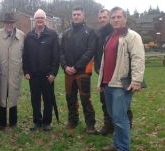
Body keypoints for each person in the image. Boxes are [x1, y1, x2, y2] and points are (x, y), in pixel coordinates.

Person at [97, 7, 145, 151]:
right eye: (113, 17)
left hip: (121, 84)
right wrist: (101, 82)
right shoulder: (110, 37)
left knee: (120, 117)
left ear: (125, 18)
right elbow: (104, 62)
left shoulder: (132, 37)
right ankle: (117, 143)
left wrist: (136, 81)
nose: (115, 20)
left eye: (119, 17)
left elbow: (138, 59)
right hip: (109, 83)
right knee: (113, 117)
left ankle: (124, 150)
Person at [94, 9, 133, 135]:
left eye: (105, 17)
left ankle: (125, 132)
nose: (102, 20)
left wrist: (136, 80)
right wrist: (98, 69)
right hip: (104, 77)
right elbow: (98, 54)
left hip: (119, 78)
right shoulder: (101, 35)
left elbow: (134, 58)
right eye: (100, 18)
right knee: (106, 105)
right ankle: (109, 127)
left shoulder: (122, 34)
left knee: (122, 109)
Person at [60, 5, 97, 134]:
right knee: (70, 97)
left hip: (83, 72)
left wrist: (77, 67)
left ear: (83, 15)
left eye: (78, 14)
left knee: (85, 98)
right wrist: (65, 67)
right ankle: (73, 121)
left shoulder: (90, 31)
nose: (76, 16)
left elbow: (90, 50)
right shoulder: (67, 32)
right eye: (74, 14)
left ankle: (90, 124)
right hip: (68, 72)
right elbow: (61, 51)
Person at [22, 9, 60, 131]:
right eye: (37, 18)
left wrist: (53, 72)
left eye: (41, 18)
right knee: (35, 99)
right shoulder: (29, 36)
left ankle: (47, 122)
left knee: (48, 99)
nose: (39, 20)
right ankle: (37, 121)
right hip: (33, 75)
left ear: (45, 21)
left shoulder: (52, 35)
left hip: (47, 75)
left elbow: (56, 56)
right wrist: (26, 70)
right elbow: (25, 55)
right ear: (34, 20)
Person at [0, 13, 25, 130]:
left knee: (13, 96)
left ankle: (13, 122)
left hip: (15, 72)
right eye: (7, 22)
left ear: (14, 23)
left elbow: (25, 55)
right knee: (1, 96)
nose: (9, 25)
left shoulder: (21, 35)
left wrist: (23, 70)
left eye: (12, 22)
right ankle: (2, 123)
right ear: (4, 23)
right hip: (0, 72)